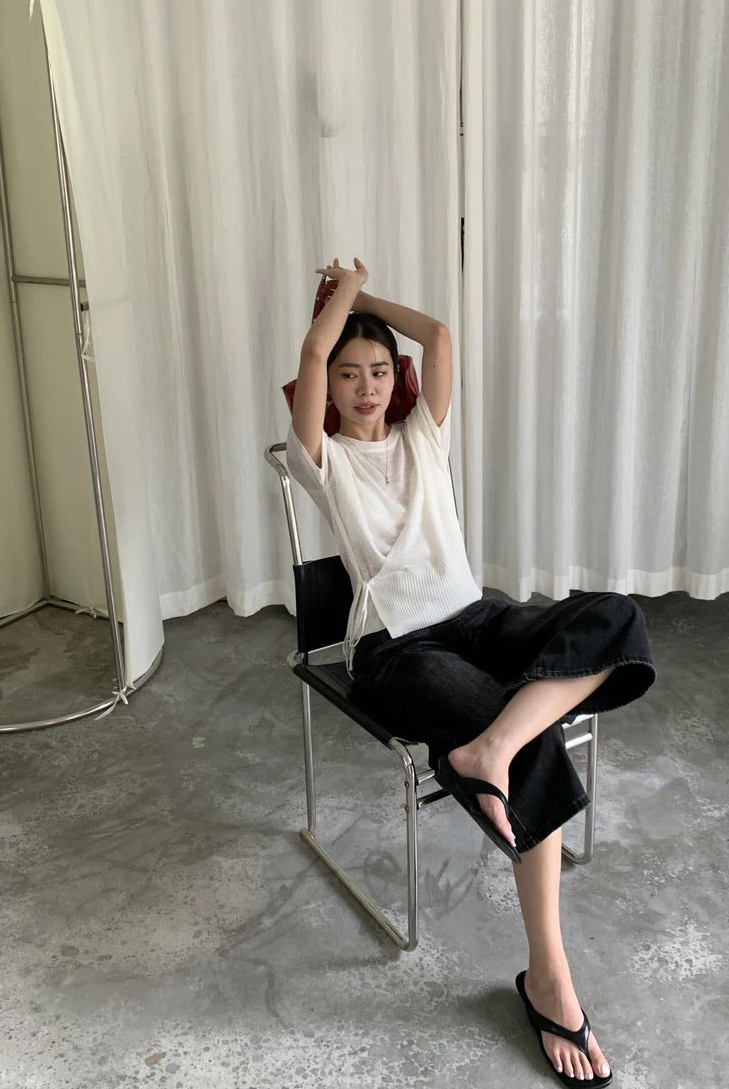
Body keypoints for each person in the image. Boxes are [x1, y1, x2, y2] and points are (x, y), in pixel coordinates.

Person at [286, 257, 655, 1087]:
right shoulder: (322, 461)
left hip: (479, 618)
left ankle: (490, 749)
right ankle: (549, 977)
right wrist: (338, 301)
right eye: (349, 375)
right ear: (329, 389)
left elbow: (440, 336)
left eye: (379, 371)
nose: (365, 386)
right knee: (539, 745)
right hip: (396, 648)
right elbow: (309, 354)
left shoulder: (424, 436)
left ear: (398, 379)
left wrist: (366, 296)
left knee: (617, 617)